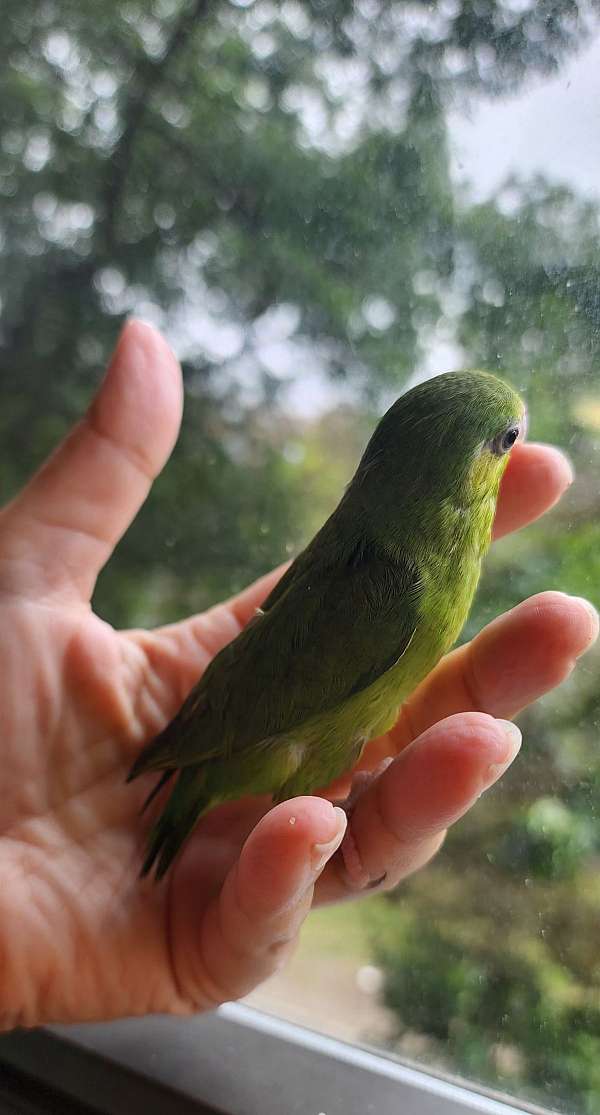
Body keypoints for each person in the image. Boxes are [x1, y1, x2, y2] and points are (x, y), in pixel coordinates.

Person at [0, 319, 596, 1031]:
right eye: (504, 441)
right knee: (317, 815)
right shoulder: (394, 586)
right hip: (245, 745)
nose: (513, 449)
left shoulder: (415, 552)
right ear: (460, 475)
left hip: (260, 731)